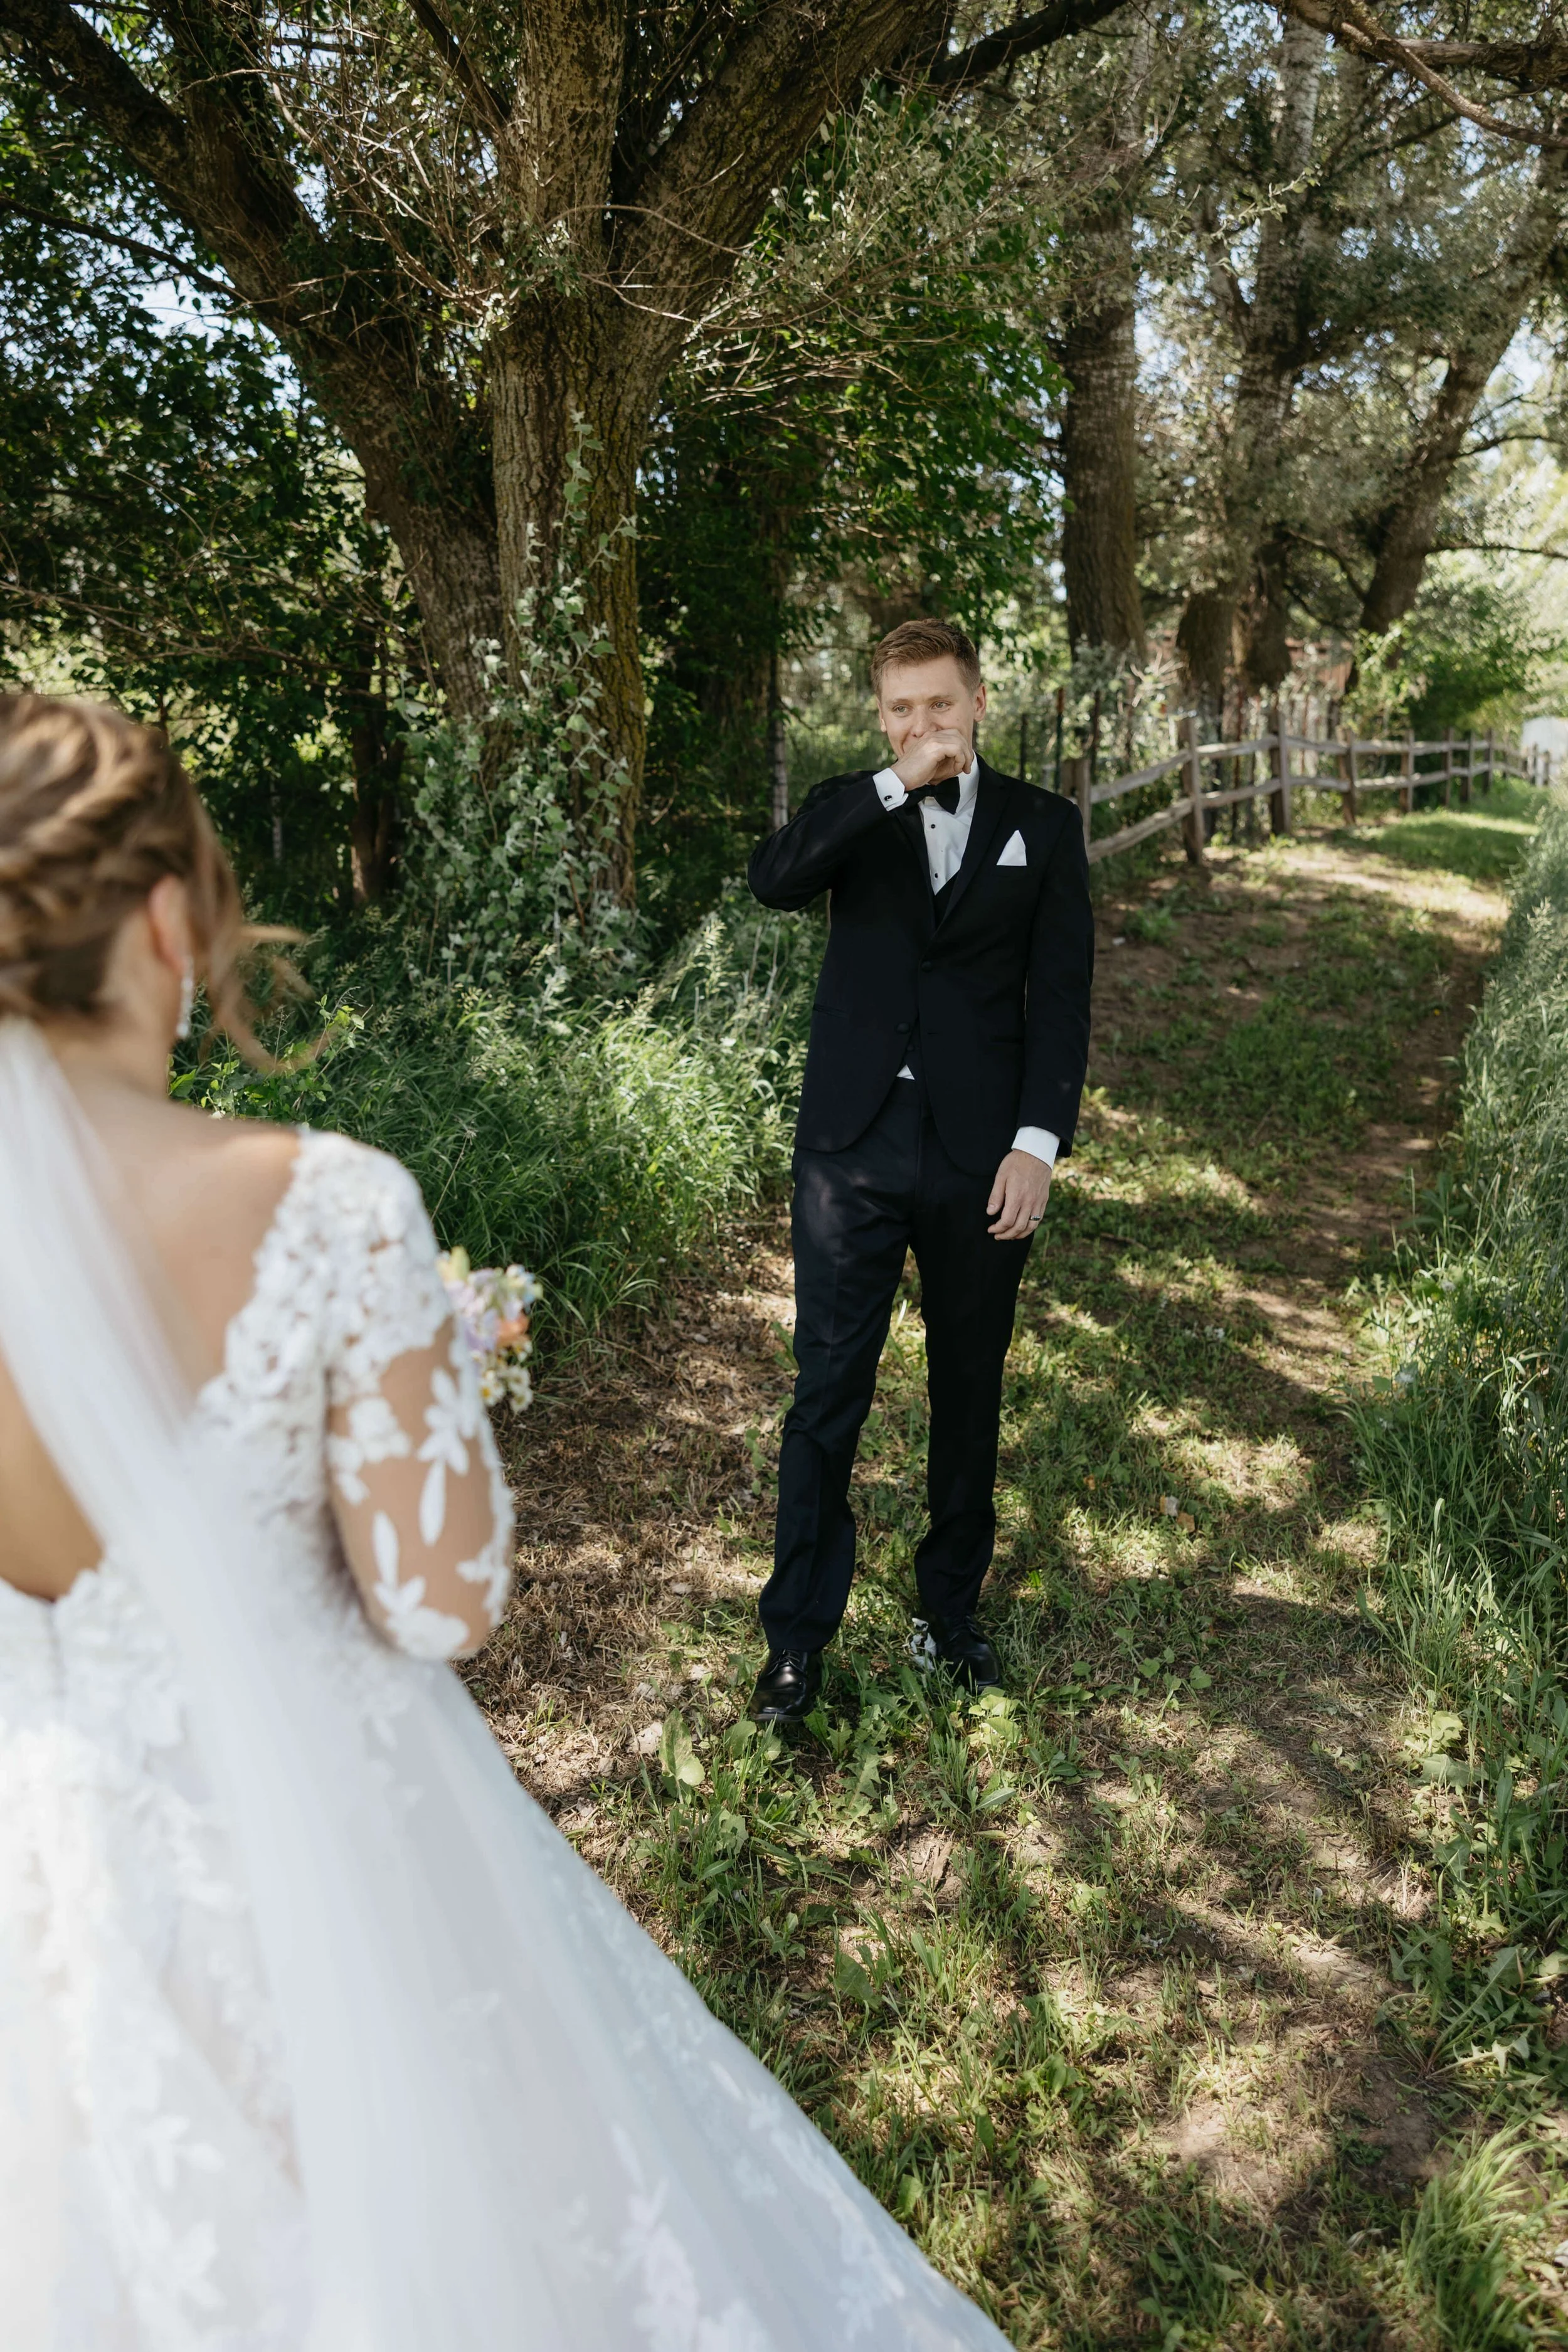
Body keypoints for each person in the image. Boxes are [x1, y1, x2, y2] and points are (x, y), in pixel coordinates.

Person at [0, 693, 1012, 2350]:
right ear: (170, 912)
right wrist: (427, 1384)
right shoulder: (314, 1202)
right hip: (319, 1880)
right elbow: (441, 1599)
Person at [747, 620, 1094, 1727]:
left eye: (938, 706)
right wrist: (892, 782)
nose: (920, 726)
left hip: (982, 1153)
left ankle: (948, 1617)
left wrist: (1037, 1146)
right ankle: (796, 1643)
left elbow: (1064, 1002)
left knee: (968, 1389)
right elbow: (773, 879)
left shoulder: (1045, 826)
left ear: (979, 702)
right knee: (826, 1394)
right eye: (899, 708)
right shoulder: (861, 810)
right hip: (850, 1148)